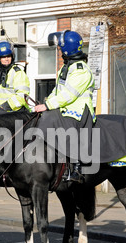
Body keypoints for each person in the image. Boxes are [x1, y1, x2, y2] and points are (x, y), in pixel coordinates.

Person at [34, 30, 96, 183]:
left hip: (80, 112)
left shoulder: (81, 70)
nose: (60, 50)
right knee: (44, 118)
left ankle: (77, 168)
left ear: (67, 49)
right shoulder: (66, 68)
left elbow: (69, 95)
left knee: (60, 126)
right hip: (66, 109)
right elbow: (57, 91)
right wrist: (45, 103)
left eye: (61, 48)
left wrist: (47, 106)